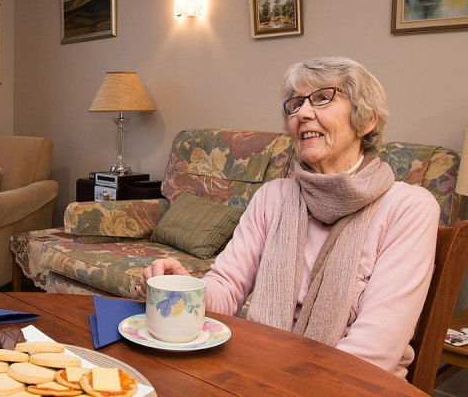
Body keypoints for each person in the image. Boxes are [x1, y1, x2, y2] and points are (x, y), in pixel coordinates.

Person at [137, 56, 439, 379]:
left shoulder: (410, 209)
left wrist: (280, 384)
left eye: (323, 98)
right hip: (259, 376)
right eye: (295, 104)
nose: (303, 114)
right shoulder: (273, 197)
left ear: (366, 121)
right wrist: (182, 288)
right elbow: (226, 287)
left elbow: (373, 352)